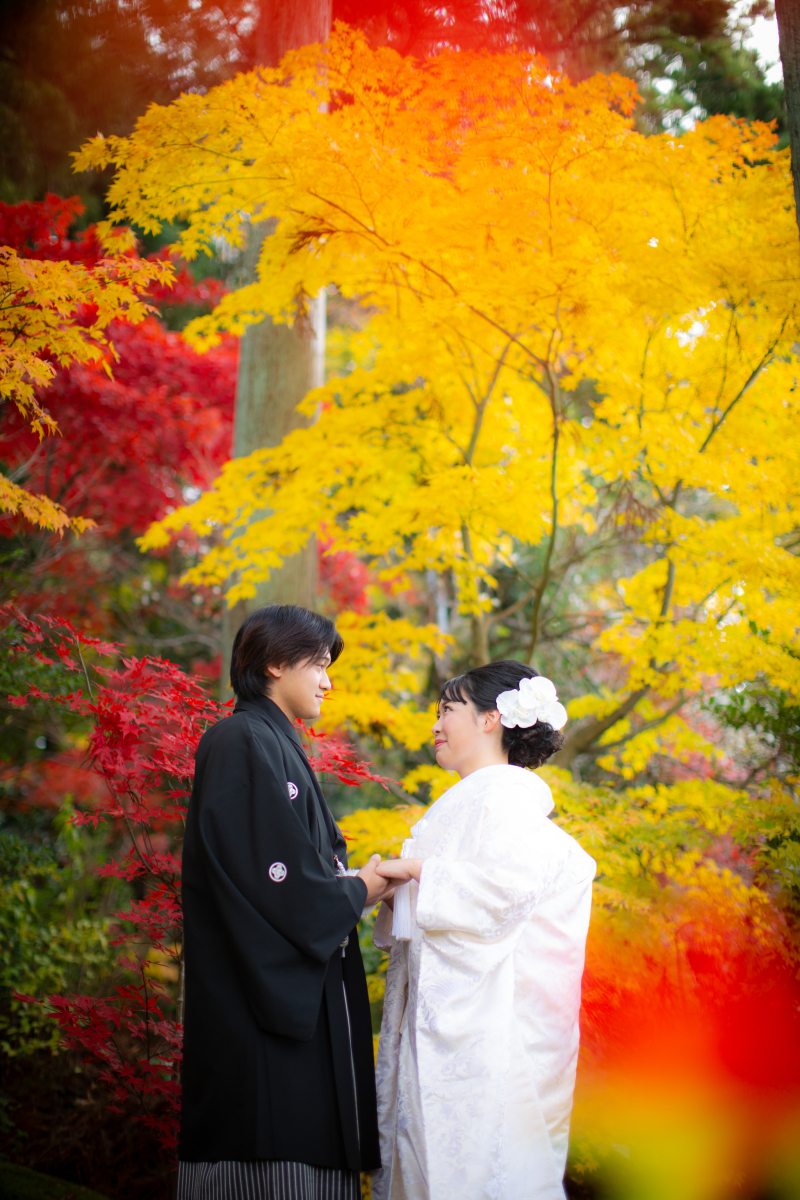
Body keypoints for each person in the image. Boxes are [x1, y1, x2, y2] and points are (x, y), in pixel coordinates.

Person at [177, 604, 393, 1200]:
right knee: (271, 1144)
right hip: (257, 1006)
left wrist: (350, 884)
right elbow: (276, 880)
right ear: (274, 663)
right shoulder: (239, 738)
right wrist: (360, 888)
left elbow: (294, 870)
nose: (328, 680)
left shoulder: (272, 741)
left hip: (288, 994)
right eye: (319, 664)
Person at [372, 661, 596, 1200]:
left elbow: (504, 895)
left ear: (492, 719)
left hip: (491, 1036)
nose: (436, 725)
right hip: (448, 1022)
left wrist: (417, 870)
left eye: (448, 710)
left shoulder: (507, 798)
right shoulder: (476, 799)